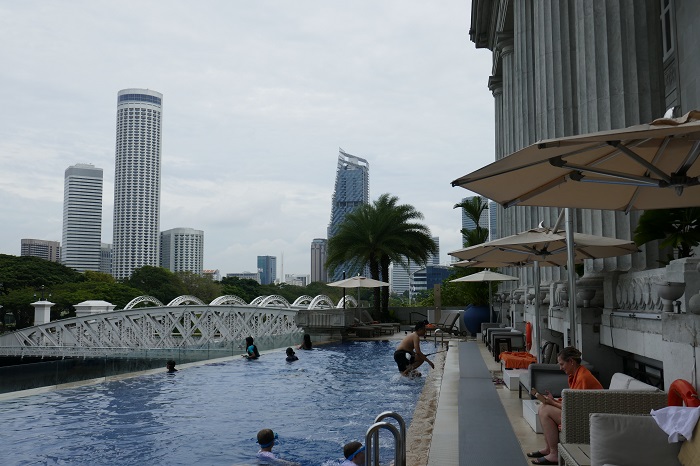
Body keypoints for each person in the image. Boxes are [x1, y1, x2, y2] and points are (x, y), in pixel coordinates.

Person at [527, 346, 603, 465]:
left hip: (586, 418)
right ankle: (548, 449)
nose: (560, 367)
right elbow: (572, 403)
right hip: (580, 411)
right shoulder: (576, 375)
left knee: (545, 410)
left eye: (562, 364)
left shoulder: (583, 377)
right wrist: (554, 401)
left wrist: (552, 403)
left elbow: (575, 408)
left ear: (571, 362)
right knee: (542, 407)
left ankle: (554, 454)